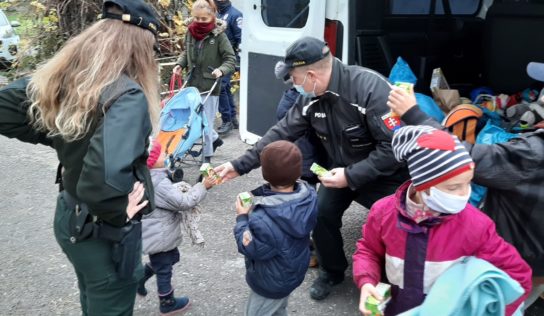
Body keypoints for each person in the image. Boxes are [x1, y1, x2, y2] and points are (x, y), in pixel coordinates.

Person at [216, 36, 409, 301]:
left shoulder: (370, 89)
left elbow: (395, 148)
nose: (293, 85)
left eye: (293, 78)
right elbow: (281, 132)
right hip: (340, 170)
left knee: (393, 227)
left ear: (310, 75)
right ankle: (332, 271)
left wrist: (351, 176)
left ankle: (390, 286)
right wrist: (239, 165)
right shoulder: (311, 97)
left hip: (387, 176)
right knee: (320, 213)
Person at [0, 1, 160, 314]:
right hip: (103, 233)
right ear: (140, 47)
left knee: (93, 296)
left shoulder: (69, 78)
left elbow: (5, 109)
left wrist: (67, 138)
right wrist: (118, 210)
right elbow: (104, 178)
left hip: (69, 217)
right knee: (109, 300)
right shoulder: (126, 95)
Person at [387, 61, 544, 313]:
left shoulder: (534, 153)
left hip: (522, 257)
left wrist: (413, 114)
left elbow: (462, 156)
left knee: (499, 301)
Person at [353, 125, 532, 316]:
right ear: (423, 185)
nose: (464, 194)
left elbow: (517, 274)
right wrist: (366, 281)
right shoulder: (383, 213)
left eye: (468, 183)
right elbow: (369, 250)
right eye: (454, 187)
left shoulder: (476, 225)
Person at [233, 140, 318, 316]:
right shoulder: (309, 195)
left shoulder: (263, 219)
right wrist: (258, 193)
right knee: (278, 308)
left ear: (266, 173)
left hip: (270, 281)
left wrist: (242, 217)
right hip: (292, 270)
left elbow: (250, 247)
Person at [136, 141, 216, 314]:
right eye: (161, 154)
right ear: (152, 161)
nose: (165, 155)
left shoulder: (148, 176)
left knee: (172, 258)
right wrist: (203, 186)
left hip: (155, 233)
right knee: (164, 268)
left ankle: (139, 278)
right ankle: (167, 302)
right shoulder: (158, 182)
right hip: (160, 235)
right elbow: (183, 202)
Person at [173, 0, 236, 163]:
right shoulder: (190, 32)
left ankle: (206, 157)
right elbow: (186, 52)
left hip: (210, 86)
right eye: (197, 19)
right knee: (192, 119)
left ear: (212, 17)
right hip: (192, 84)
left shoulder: (219, 35)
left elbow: (230, 58)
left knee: (205, 123)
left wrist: (221, 70)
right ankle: (214, 139)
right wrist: (180, 64)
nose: (200, 22)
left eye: (204, 19)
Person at [214, 0, 242, 134]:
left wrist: (238, 62)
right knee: (225, 87)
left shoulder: (235, 15)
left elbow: (240, 40)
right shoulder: (217, 14)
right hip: (218, 57)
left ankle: (227, 120)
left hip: (229, 58)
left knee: (221, 87)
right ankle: (232, 118)